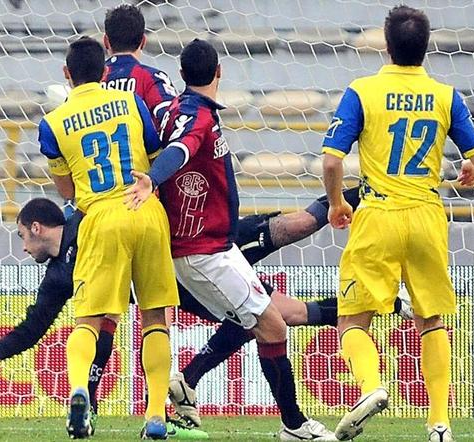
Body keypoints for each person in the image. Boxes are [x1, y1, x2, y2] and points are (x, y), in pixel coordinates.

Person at [125, 39, 336, 442]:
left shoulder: (175, 110)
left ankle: (193, 381)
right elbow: (180, 151)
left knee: (266, 322)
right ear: (219, 71)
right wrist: (153, 179)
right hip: (202, 252)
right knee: (272, 326)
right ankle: (294, 425)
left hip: (218, 247)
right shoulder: (196, 117)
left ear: (183, 75)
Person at [321, 6, 474, 442]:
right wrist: (472, 170)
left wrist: (338, 203)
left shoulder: (363, 91)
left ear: (386, 42)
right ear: (427, 45)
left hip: (377, 214)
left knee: (352, 321)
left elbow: (330, 160)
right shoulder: (445, 94)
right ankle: (439, 424)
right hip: (426, 215)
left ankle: (372, 387)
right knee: (432, 320)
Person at [40, 36, 179, 440]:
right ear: (105, 72)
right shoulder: (131, 102)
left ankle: (80, 387)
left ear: (66, 75)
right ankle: (155, 415)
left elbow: (66, 192)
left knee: (88, 319)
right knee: (154, 317)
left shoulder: (52, 123)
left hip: (100, 217)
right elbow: (154, 156)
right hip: (146, 209)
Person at [101, 4, 178, 126]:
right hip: (141, 144)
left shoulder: (91, 81)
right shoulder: (153, 78)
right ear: (143, 41)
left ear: (105, 41)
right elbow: (171, 120)